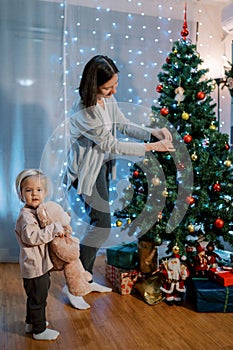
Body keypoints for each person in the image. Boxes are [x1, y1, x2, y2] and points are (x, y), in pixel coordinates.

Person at [63, 55, 175, 291]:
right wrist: (151, 147)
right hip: (86, 171)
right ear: (93, 86)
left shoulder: (107, 100)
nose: (113, 91)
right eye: (108, 87)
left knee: (99, 223)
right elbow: (110, 145)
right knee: (101, 224)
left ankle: (86, 277)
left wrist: (153, 132)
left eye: (115, 84)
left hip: (100, 166)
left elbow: (122, 125)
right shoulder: (84, 109)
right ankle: (76, 283)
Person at [15, 169, 61, 340]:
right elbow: (33, 237)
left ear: (45, 192)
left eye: (39, 189)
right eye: (29, 190)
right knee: (38, 299)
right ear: (21, 194)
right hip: (34, 267)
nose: (34, 193)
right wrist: (54, 228)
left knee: (35, 297)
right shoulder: (25, 217)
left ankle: (31, 322)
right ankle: (39, 330)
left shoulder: (37, 212)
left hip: (40, 264)